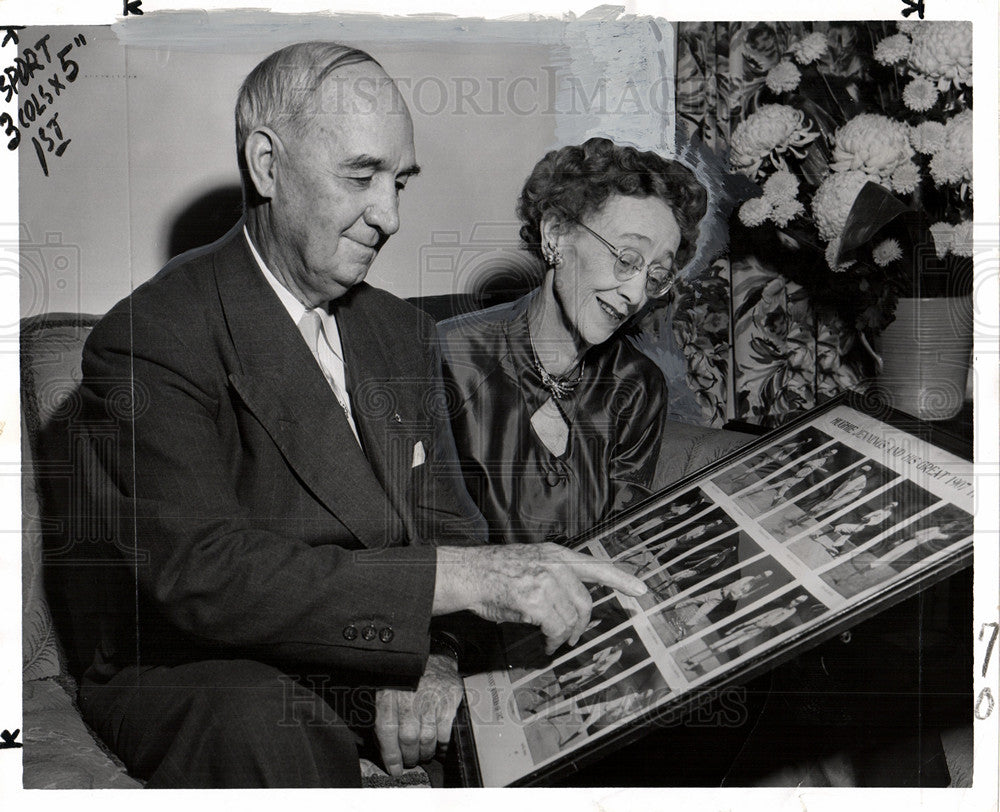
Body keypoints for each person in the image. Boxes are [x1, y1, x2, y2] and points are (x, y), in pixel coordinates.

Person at [73, 42, 646, 789]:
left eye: (400, 181)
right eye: (362, 176)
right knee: (267, 729)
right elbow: (204, 575)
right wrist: (463, 581)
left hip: (369, 646)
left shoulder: (398, 331)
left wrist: (433, 658)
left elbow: (450, 526)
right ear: (268, 166)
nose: (391, 215)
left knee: (585, 702)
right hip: (212, 665)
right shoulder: (152, 338)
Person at [439, 138, 708, 545]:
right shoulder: (448, 358)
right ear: (556, 235)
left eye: (655, 275)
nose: (635, 294)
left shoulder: (637, 385)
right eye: (626, 258)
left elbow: (620, 539)